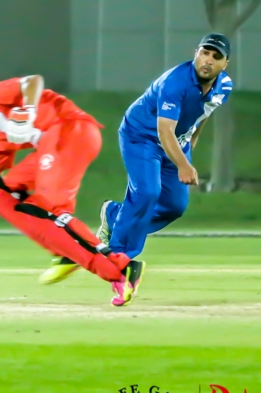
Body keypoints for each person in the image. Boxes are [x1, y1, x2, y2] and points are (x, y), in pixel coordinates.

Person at [0, 73, 141, 305]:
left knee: (51, 209)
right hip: (57, 139)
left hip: (70, 129)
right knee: (5, 191)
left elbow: (32, 81)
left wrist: (28, 110)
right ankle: (67, 252)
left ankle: (121, 267)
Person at [99, 33, 234, 271]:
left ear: (225, 64)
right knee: (147, 192)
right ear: (196, 53)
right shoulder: (175, 82)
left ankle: (114, 216)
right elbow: (164, 131)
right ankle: (118, 257)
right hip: (142, 136)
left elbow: (205, 112)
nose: (208, 60)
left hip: (175, 141)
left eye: (216, 56)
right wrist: (183, 164)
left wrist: (192, 140)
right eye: (204, 53)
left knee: (174, 206)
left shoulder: (224, 86)